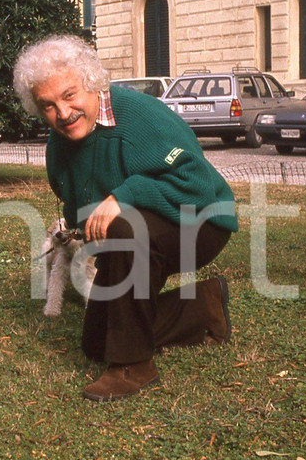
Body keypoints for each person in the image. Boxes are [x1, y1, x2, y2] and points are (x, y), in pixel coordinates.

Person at [13, 34, 238, 402]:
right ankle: (204, 306)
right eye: (48, 105)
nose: (63, 113)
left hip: (202, 221)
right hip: (135, 234)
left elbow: (197, 185)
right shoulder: (59, 144)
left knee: (123, 225)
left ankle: (134, 366)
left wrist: (125, 195)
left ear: (91, 82)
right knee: (96, 342)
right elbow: (79, 207)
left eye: (70, 95)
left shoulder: (139, 116)